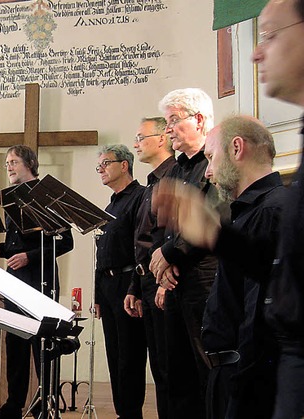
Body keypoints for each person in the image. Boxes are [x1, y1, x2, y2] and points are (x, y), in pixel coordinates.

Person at [154, 1, 304, 417]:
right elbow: (277, 270)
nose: (256, 52)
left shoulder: (272, 206)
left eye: (270, 35)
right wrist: (212, 233)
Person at [198, 116, 283, 419]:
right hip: (230, 374)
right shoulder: (249, 213)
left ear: (236, 148)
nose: (208, 172)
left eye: (210, 157)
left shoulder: (268, 213)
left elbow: (259, 317)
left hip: (244, 381)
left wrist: (240, 390)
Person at [0, 145, 74, 419]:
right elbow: (17, 243)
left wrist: (29, 257)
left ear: (30, 163)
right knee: (15, 342)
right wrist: (3, 249)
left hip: (40, 279)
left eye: (14, 162)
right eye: (7, 163)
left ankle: (44, 401)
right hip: (16, 281)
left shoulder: (45, 196)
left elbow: (65, 241)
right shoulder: (12, 198)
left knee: (41, 343)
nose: (9, 166)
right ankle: (14, 403)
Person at [151, 88, 219, 419]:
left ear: (200, 120)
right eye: (167, 122)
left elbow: (213, 220)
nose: (168, 130)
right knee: (175, 371)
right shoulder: (175, 171)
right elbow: (164, 227)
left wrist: (169, 255)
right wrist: (162, 273)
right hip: (175, 282)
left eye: (174, 121)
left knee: (205, 368)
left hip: (204, 280)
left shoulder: (216, 162)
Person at [123, 118, 176, 419]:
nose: (136, 144)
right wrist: (135, 286)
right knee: (159, 367)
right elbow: (142, 242)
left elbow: (167, 236)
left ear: (161, 139)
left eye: (140, 137)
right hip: (146, 282)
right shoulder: (151, 184)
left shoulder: (174, 177)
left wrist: (159, 283)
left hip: (163, 283)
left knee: (170, 369)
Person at [93, 144, 147, 419]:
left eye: (105, 163)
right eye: (99, 165)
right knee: (114, 357)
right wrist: (97, 296)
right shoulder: (110, 205)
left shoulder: (140, 197)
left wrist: (133, 289)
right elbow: (101, 251)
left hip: (128, 282)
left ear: (124, 165)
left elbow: (141, 247)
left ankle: (131, 413)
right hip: (108, 286)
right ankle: (121, 412)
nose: (101, 169)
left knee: (130, 356)